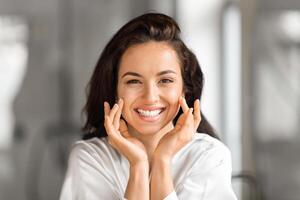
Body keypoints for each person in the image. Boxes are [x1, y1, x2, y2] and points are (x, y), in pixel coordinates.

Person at [60, 12, 237, 200]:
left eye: (165, 80)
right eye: (134, 81)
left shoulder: (209, 157)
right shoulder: (90, 159)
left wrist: (162, 160)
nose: (150, 97)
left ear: (184, 90)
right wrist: (138, 165)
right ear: (114, 89)